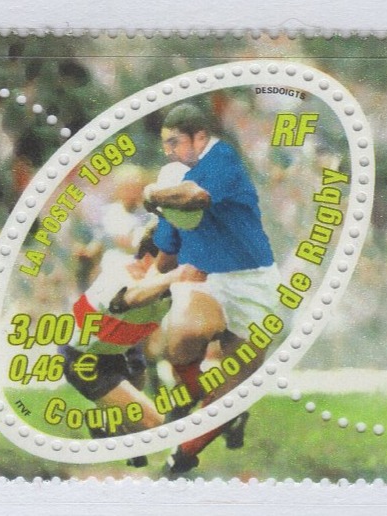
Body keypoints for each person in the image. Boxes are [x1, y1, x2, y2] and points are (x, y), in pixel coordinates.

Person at [144, 103, 281, 473]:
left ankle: (183, 456)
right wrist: (139, 292)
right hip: (206, 277)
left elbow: (196, 197)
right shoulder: (172, 182)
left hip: (253, 282)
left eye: (175, 142)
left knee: (233, 391)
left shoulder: (222, 159)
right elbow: (166, 256)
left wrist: (153, 194)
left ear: (200, 137)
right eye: (165, 144)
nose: (169, 151)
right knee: (183, 336)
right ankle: (188, 398)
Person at [60, 224, 206, 467]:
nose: (185, 264)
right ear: (152, 256)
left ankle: (106, 424)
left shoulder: (165, 286)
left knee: (137, 427)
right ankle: (104, 423)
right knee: (154, 426)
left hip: (121, 352)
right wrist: (175, 276)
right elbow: (130, 298)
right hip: (83, 360)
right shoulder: (123, 273)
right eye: (179, 257)